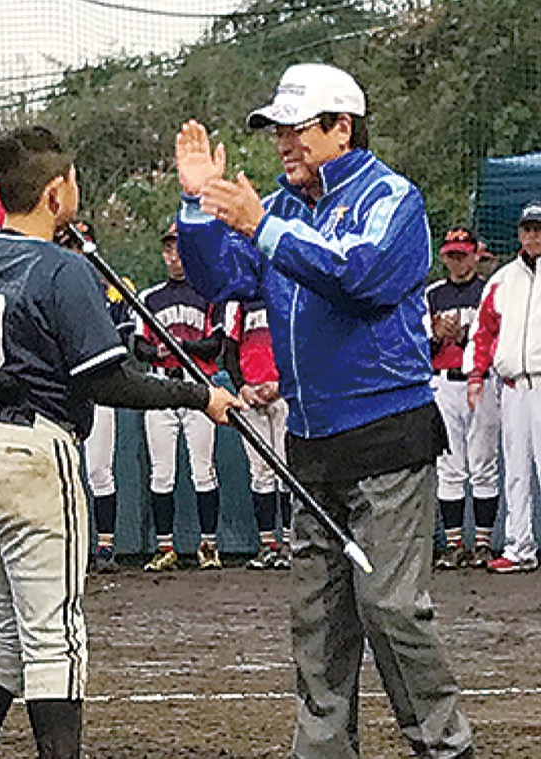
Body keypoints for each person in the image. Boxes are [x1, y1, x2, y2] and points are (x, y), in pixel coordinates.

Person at [175, 63, 474, 758]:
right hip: (312, 446)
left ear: (343, 127)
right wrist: (197, 207)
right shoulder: (281, 207)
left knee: (391, 609)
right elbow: (222, 276)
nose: (284, 142)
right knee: (317, 622)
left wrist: (264, 226)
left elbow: (360, 274)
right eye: (277, 129)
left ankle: (446, 746)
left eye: (297, 127)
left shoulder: (392, 198)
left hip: (386, 440)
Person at [0, 125, 240, 759]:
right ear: (56, 193)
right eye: (71, 182)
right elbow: (107, 380)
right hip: (29, 455)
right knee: (54, 637)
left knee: (8, 633)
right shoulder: (62, 268)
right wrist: (200, 396)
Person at [134, 224, 226, 571]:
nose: (174, 256)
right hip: (160, 386)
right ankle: (165, 547)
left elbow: (213, 344)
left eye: (179, 249)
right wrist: (159, 350)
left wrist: (180, 346)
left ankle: (208, 546)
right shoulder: (149, 297)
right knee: (162, 472)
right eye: (169, 249)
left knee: (203, 470)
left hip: (198, 385)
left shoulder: (208, 295)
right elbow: (138, 347)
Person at [55, 220, 135, 573]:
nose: (73, 251)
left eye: (78, 244)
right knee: (63, 473)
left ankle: (104, 547)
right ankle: (67, 547)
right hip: (61, 390)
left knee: (99, 470)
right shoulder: (51, 284)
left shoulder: (112, 288)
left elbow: (124, 341)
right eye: (67, 244)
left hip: (99, 386)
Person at [468, 200, 541, 574]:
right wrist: (476, 374)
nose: (532, 236)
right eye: (527, 229)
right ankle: (519, 546)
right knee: (515, 470)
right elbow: (483, 332)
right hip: (513, 385)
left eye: (537, 229)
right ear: (519, 234)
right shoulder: (502, 279)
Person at [426, 226, 500, 570]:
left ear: (475, 255)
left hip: (482, 382)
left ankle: (483, 542)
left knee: (484, 464)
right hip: (443, 383)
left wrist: (465, 334)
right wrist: (438, 337)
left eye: (462, 254)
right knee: (450, 465)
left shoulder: (489, 292)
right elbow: (419, 348)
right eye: (451, 256)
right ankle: (456, 544)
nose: (457, 262)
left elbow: (499, 341)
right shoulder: (433, 294)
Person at [221, 295, 292, 570]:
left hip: (282, 390)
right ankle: (268, 545)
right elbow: (229, 351)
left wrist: (282, 382)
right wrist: (242, 387)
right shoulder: (237, 303)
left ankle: (289, 543)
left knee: (287, 469)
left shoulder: (284, 292)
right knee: (261, 471)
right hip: (251, 391)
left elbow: (298, 344)